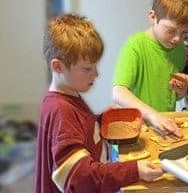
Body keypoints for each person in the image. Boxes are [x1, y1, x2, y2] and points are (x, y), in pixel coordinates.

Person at [34, 14, 163, 193]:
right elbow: (81, 179)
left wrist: (100, 120)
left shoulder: (67, 96)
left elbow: (78, 129)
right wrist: (134, 170)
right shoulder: (60, 111)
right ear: (58, 67)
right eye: (87, 68)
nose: (96, 74)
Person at [112, 0, 188, 138]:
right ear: (153, 17)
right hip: (132, 129)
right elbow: (118, 92)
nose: (177, 38)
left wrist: (180, 90)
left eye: (184, 32)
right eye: (170, 30)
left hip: (161, 125)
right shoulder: (134, 47)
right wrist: (153, 115)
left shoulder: (179, 49)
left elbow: (175, 98)